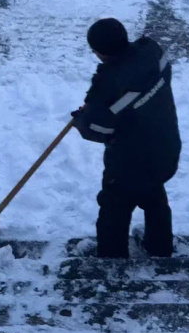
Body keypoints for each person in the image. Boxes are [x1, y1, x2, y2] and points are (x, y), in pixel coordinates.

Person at [72, 18, 181, 258]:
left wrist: (81, 119)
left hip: (129, 162)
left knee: (115, 208)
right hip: (165, 147)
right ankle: (160, 249)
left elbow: (96, 129)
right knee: (154, 195)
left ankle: (112, 260)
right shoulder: (152, 52)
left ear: (99, 52)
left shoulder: (108, 86)